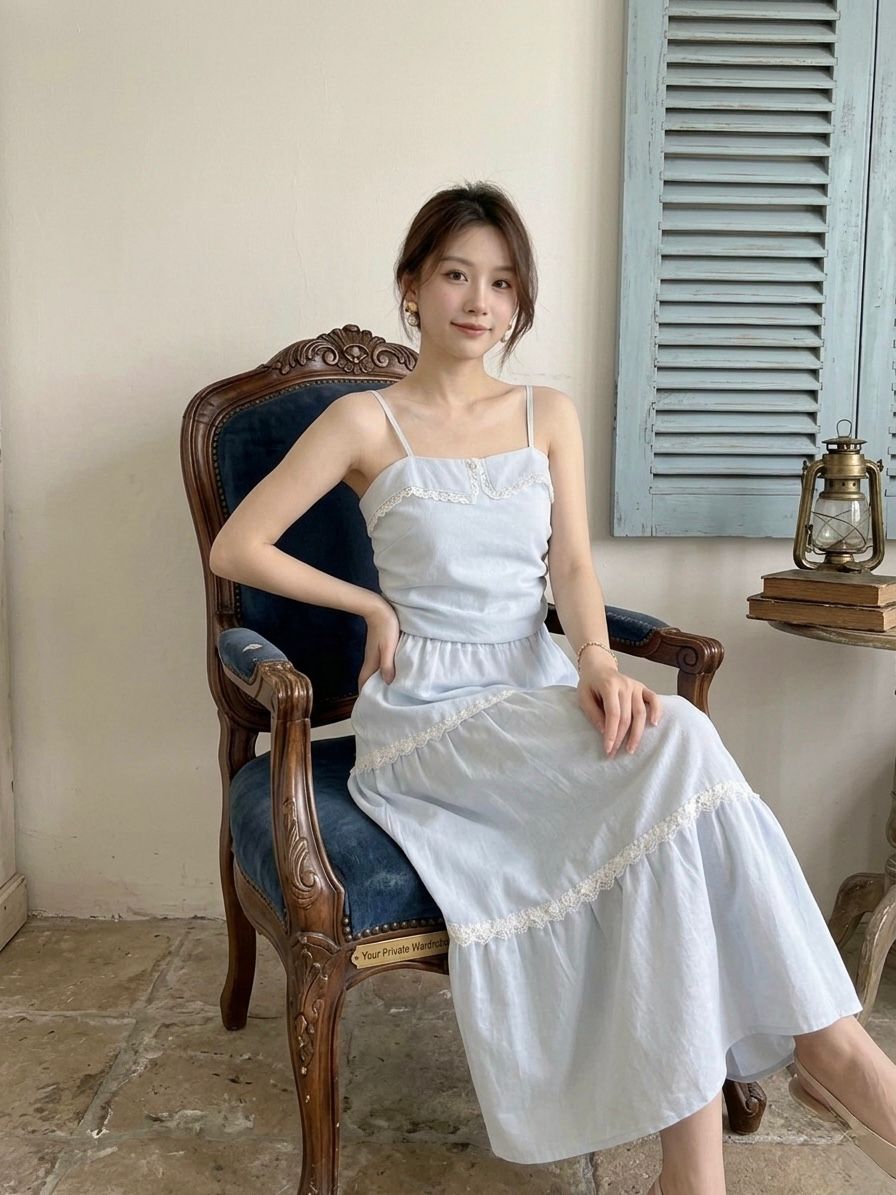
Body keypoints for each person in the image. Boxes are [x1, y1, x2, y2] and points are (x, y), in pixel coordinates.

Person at [208, 181, 896, 1194]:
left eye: (501, 282)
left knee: (668, 791)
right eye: (455, 275)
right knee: (679, 753)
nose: (477, 301)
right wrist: (370, 608)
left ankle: (709, 1153)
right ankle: (833, 1055)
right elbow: (238, 546)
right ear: (411, 285)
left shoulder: (546, 413)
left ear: (519, 301)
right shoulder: (363, 420)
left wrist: (598, 663)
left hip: (533, 685)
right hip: (431, 715)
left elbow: (571, 569)